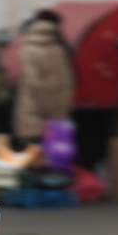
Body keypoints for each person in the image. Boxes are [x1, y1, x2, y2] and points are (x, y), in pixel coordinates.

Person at [13, 10, 73, 150]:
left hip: (33, 116)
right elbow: (61, 83)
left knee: (34, 160)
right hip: (51, 118)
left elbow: (34, 82)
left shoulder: (28, 46)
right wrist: (56, 116)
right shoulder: (58, 48)